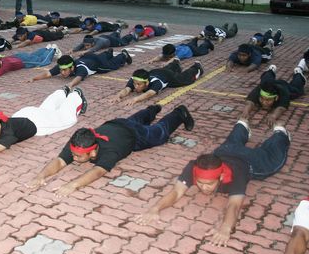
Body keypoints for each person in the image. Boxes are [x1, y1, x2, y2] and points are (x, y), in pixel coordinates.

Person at [138, 120, 290, 246]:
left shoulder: (236, 175)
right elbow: (176, 192)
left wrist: (225, 228)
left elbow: (234, 205)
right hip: (226, 151)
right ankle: (242, 126)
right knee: (231, 142)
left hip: (251, 161)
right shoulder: (193, 166)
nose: (204, 188)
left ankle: (280, 133)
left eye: (209, 184)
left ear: (221, 177)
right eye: (200, 183)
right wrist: (155, 209)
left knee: (275, 158)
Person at [27, 104, 195, 197]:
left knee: (160, 133)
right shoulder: (79, 141)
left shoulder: (109, 151)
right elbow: (59, 161)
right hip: (116, 124)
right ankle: (151, 110)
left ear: (93, 153)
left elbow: (97, 172)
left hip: (134, 135)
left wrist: (72, 185)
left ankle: (178, 113)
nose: (73, 158)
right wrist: (40, 176)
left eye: (78, 156)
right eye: (73, 155)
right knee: (133, 120)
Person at [240, 65, 306, 128]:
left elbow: (281, 108)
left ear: (276, 98)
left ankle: (298, 74)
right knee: (265, 80)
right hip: (270, 83)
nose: (264, 102)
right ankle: (270, 70)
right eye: (262, 98)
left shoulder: (283, 92)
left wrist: (273, 116)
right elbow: (250, 102)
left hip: (285, 87)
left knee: (297, 90)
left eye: (268, 100)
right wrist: (246, 112)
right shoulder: (260, 89)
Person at [112, 61, 204, 105]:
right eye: (135, 83)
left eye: (139, 84)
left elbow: (149, 94)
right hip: (157, 71)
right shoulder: (136, 79)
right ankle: (175, 63)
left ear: (147, 83)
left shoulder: (156, 83)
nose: (135, 86)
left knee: (185, 79)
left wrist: (135, 99)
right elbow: (126, 89)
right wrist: (118, 95)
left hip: (168, 77)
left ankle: (197, 68)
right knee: (168, 68)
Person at [29, 50, 132, 88]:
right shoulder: (64, 65)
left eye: (64, 70)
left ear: (72, 67)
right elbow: (48, 73)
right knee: (103, 57)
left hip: (98, 63)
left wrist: (70, 84)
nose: (62, 72)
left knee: (111, 66)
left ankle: (123, 55)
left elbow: (78, 78)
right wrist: (34, 78)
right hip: (88, 57)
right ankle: (108, 53)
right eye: (61, 70)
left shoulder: (81, 69)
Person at [70, 31, 136, 57]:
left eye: (88, 45)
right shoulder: (89, 40)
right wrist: (73, 50)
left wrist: (84, 51)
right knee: (112, 36)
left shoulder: (99, 43)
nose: (86, 47)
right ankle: (116, 32)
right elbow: (81, 45)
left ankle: (131, 35)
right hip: (104, 37)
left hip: (111, 41)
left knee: (123, 41)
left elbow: (94, 49)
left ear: (93, 43)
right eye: (85, 45)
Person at [147, 38, 214, 63]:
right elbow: (160, 56)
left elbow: (174, 59)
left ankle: (207, 43)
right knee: (191, 43)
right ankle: (195, 40)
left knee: (204, 50)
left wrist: (166, 63)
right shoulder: (169, 48)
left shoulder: (180, 53)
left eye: (169, 55)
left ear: (173, 53)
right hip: (186, 46)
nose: (167, 56)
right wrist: (151, 60)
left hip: (193, 50)